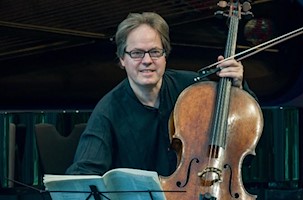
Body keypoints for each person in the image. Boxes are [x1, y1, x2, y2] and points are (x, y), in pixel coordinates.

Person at [66, 12, 257, 176]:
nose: (147, 60)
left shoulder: (195, 91)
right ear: (122, 59)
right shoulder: (108, 110)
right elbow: (85, 172)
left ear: (165, 55)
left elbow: (240, 129)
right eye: (137, 53)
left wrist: (238, 88)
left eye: (155, 52)